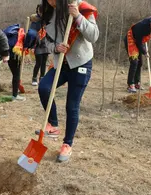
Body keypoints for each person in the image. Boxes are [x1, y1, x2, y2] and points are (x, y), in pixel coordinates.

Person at [37, 0, 99, 162]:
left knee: (72, 105)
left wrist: (78, 17)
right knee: (44, 87)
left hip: (81, 63)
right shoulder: (47, 12)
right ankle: (53, 124)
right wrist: (55, 48)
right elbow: (44, 42)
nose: (51, 1)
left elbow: (93, 35)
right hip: (61, 63)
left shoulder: (81, 7)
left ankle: (67, 144)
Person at [124, 15, 151, 93]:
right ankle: (130, 84)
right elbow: (138, 42)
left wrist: (144, 51)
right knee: (134, 62)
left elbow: (142, 41)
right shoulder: (143, 27)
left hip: (139, 40)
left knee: (140, 63)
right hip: (131, 39)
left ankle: (137, 83)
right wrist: (145, 52)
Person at [3, 24, 37, 101]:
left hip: (10, 55)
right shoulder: (17, 39)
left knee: (16, 74)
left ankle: (15, 93)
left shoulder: (19, 34)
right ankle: (15, 95)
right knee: (16, 74)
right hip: (11, 56)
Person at [30, 4, 50, 86]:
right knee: (38, 62)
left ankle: (42, 77)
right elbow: (32, 32)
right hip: (37, 45)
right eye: (38, 10)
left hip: (46, 44)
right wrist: (32, 45)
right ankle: (34, 78)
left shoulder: (47, 19)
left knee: (44, 62)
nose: (40, 12)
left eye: (41, 10)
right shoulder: (35, 20)